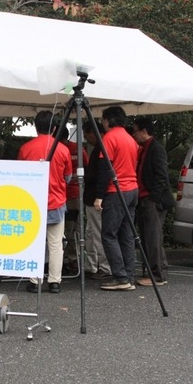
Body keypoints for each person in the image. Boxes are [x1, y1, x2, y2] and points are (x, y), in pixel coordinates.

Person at [18, 110, 72, 294]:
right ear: (55, 127)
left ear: (35, 127)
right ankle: (55, 281)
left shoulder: (26, 148)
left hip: (32, 203)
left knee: (35, 242)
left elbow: (20, 176)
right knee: (56, 244)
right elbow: (69, 177)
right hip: (56, 201)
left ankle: (35, 280)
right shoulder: (63, 149)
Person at [94, 106, 139, 291]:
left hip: (116, 190)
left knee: (109, 234)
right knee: (127, 235)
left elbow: (106, 169)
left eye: (104, 119)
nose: (103, 123)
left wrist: (98, 196)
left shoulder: (109, 138)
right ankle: (129, 276)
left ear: (109, 120)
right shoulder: (130, 139)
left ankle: (120, 277)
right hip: (132, 189)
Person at [132, 116, 175, 286]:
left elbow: (161, 176)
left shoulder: (156, 148)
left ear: (144, 131)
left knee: (152, 237)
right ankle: (155, 270)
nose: (133, 134)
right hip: (145, 197)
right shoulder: (144, 148)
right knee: (149, 236)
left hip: (152, 199)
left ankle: (157, 274)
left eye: (135, 130)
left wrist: (153, 198)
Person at [81, 120, 112, 280]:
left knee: (98, 233)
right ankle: (92, 264)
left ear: (94, 133)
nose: (87, 139)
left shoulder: (101, 149)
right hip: (92, 197)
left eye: (87, 135)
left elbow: (101, 176)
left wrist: (99, 196)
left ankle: (104, 266)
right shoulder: (98, 149)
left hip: (96, 198)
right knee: (91, 233)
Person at [58, 125, 89, 276]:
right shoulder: (76, 149)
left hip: (72, 196)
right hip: (66, 195)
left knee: (70, 229)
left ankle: (70, 260)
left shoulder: (74, 149)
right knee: (68, 230)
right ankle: (69, 260)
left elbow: (87, 168)